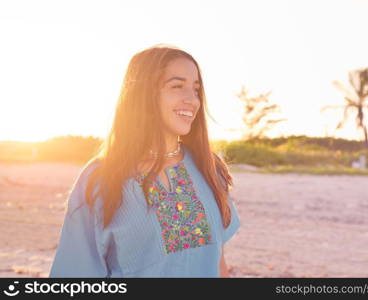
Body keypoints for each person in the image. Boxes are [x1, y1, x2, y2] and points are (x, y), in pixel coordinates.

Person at [49, 44, 241, 278]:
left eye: (196, 89)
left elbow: (218, 263)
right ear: (144, 93)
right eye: (177, 86)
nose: (192, 100)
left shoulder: (208, 167)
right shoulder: (101, 177)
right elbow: (75, 275)